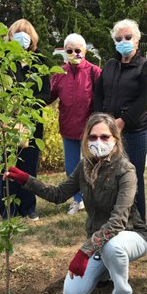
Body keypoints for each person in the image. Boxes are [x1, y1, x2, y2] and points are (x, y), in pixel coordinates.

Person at [4, 113, 147, 294]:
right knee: (73, 292)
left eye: (104, 137)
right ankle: (107, 271)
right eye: (92, 137)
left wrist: (84, 252)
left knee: (113, 247)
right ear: (85, 139)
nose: (98, 142)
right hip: (99, 241)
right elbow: (58, 194)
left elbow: (119, 221)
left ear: (115, 139)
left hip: (130, 234)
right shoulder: (85, 167)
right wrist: (26, 179)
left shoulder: (125, 170)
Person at [0, 19, 50, 221]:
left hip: (30, 126)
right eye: (18, 33)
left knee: (28, 168)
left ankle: (28, 208)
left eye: (26, 33)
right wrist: (5, 107)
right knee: (5, 169)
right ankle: (8, 211)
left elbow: (45, 94)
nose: (22, 37)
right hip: (4, 125)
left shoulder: (39, 62)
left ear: (32, 38)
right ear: (10, 37)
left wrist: (26, 107)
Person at [93, 19, 147, 222]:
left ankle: (138, 221)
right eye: (119, 38)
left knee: (133, 176)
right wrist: (101, 119)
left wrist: (123, 121)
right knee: (111, 176)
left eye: (128, 37)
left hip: (134, 131)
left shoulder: (145, 67)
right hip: (109, 133)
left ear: (137, 41)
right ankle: (115, 219)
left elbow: (144, 99)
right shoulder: (110, 65)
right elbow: (99, 92)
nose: (124, 41)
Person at [49, 33, 101, 215]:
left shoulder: (94, 72)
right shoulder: (59, 73)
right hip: (68, 127)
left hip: (90, 130)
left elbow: (101, 99)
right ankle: (77, 200)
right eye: (69, 50)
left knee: (93, 166)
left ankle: (93, 200)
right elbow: (48, 96)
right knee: (71, 168)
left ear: (84, 51)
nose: (74, 54)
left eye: (77, 50)